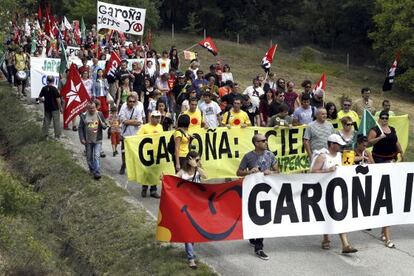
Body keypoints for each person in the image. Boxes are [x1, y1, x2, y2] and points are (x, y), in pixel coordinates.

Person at [310, 134, 358, 254]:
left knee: (340, 214)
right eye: (338, 144)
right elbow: (313, 172)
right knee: (326, 215)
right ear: (331, 144)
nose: (341, 146)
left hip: (338, 190)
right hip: (323, 191)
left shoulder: (340, 156)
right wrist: (327, 170)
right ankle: (326, 237)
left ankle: (345, 244)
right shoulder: (322, 156)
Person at [237, 134, 279, 260]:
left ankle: (259, 247)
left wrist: (271, 172)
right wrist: (249, 172)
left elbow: (278, 171)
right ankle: (253, 236)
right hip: (253, 191)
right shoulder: (248, 156)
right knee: (253, 215)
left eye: (266, 140)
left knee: (263, 216)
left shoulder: (270, 155)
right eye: (263, 141)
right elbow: (238, 172)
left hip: (267, 191)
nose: (266, 142)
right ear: (256, 143)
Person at [368, 111, 404, 248]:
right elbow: (369, 142)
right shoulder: (375, 129)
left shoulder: (392, 129)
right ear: (379, 118)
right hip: (379, 160)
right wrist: (379, 137)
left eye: (386, 118)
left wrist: (401, 152)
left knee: (390, 193)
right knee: (382, 192)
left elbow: (396, 141)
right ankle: (376, 223)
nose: (384, 120)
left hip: (391, 160)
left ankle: (384, 229)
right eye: (382, 118)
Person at [176, 151, 207, 268]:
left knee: (193, 231)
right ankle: (191, 258)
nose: (199, 162)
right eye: (197, 160)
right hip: (185, 207)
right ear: (190, 160)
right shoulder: (182, 173)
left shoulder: (198, 171)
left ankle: (190, 251)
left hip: (197, 206)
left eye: (199, 160)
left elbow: (206, 176)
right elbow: (172, 179)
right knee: (188, 232)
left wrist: (197, 167)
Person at [78, 101, 108, 180]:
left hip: (97, 139)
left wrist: (104, 125)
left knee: (96, 156)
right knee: (89, 157)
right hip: (88, 140)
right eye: (90, 108)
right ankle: (92, 169)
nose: (92, 110)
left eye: (94, 108)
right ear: (87, 108)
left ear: (96, 107)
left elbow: (105, 125)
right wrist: (82, 138)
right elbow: (80, 128)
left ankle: (97, 172)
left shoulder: (99, 114)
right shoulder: (83, 116)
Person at [137, 110, 163, 198]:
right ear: (151, 118)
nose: (157, 119)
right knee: (147, 172)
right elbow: (138, 137)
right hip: (147, 154)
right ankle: (144, 188)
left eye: (158, 117)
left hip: (157, 153)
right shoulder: (145, 127)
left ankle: (153, 190)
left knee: (155, 172)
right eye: (155, 117)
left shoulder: (160, 127)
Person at [119, 94, 146, 175]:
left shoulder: (138, 109)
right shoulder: (123, 107)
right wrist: (133, 121)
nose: (131, 103)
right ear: (127, 102)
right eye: (130, 101)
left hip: (135, 135)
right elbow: (123, 120)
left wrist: (129, 121)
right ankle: (124, 164)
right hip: (125, 135)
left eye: (133, 102)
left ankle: (134, 168)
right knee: (124, 152)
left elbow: (139, 122)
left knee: (134, 152)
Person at [38, 75, 62, 139]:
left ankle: (45, 135)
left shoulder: (44, 88)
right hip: (55, 108)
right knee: (56, 122)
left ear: (47, 81)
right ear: (53, 81)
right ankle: (57, 136)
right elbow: (58, 100)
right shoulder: (54, 89)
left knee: (46, 121)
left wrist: (44, 101)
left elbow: (39, 97)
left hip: (47, 108)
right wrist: (60, 108)